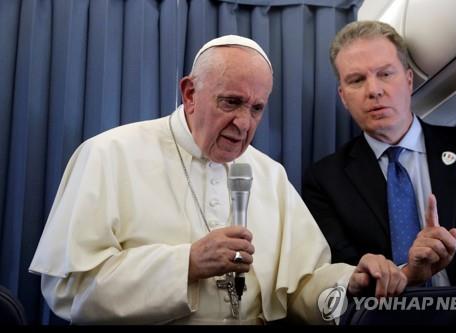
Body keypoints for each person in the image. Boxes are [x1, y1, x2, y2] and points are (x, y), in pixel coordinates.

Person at [29, 35, 409, 325]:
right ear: (191, 94)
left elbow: (301, 286)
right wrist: (187, 263)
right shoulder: (109, 154)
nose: (244, 123)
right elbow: (68, 289)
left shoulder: (269, 175)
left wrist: (348, 283)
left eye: (256, 108)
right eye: (231, 102)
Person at [302, 21, 456, 287]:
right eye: (357, 80)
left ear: (408, 81)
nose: (374, 90)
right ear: (343, 97)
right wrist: (406, 273)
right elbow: (342, 275)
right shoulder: (324, 180)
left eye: (385, 74)